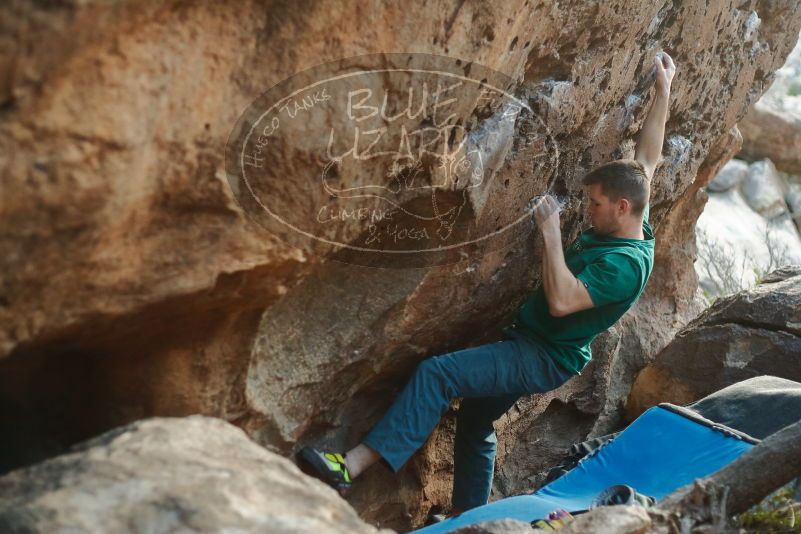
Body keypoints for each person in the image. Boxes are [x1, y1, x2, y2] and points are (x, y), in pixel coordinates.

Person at [298, 51, 676, 516]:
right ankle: (471, 521)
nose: (588, 209)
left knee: (439, 373)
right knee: (476, 423)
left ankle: (347, 467)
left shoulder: (624, 265)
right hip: (534, 345)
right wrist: (664, 90)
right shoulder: (634, 210)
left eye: (595, 204)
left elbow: (561, 301)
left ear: (622, 208)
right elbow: (647, 157)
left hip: (541, 356)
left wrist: (551, 234)